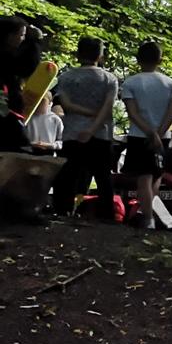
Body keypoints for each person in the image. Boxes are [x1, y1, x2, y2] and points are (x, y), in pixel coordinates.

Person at [50, 37, 118, 217]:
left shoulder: (66, 77)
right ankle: (106, 215)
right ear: (100, 55)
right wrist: (93, 127)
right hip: (101, 134)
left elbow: (66, 104)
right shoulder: (109, 79)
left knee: (68, 175)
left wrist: (87, 114)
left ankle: (62, 211)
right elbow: (107, 108)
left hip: (73, 133)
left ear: (78, 54)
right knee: (103, 177)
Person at [121, 42, 172, 229]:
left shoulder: (130, 82)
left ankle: (147, 217)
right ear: (160, 60)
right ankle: (148, 213)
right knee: (157, 175)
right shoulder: (169, 83)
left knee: (143, 176)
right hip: (163, 136)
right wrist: (159, 133)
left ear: (138, 59)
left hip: (139, 135)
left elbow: (132, 112)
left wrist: (150, 133)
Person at [0, 17, 44, 153]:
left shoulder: (8, 56)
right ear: (9, 36)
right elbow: (27, 68)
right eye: (21, 35)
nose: (23, 39)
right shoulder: (5, 57)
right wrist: (35, 42)